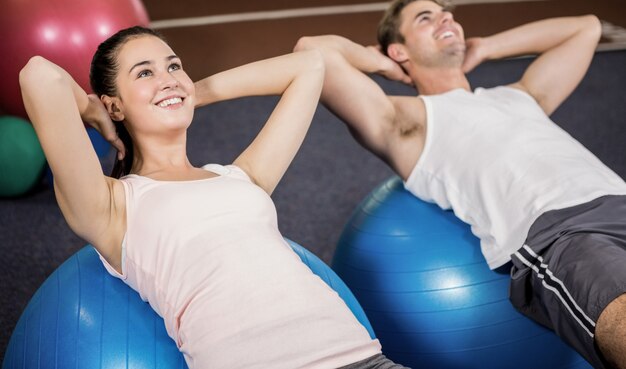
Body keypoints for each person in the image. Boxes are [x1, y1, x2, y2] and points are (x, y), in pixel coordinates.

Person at [19, 26, 408, 369]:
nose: (168, 77)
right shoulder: (110, 205)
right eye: (145, 73)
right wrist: (92, 108)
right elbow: (39, 75)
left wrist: (189, 92)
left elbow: (310, 66)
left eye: (174, 67)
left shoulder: (242, 177)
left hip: (362, 357)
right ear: (115, 103)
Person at [294, 0, 626, 369]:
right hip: (563, 235)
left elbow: (585, 28)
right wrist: (381, 64)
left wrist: (485, 47)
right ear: (399, 50)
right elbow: (311, 50)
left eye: (447, 14)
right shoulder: (406, 121)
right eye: (426, 18)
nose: (446, 19)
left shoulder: (521, 95)